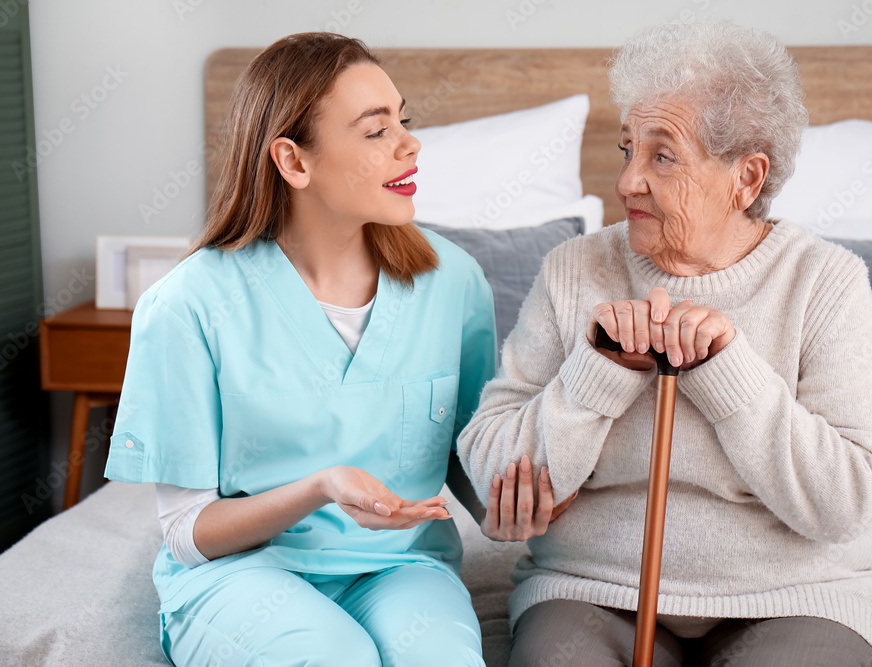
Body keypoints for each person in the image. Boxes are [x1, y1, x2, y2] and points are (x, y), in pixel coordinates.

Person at [458, 19, 872, 667]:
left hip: (799, 593)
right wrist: (596, 372)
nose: (627, 182)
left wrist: (731, 373)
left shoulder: (824, 281)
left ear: (746, 178)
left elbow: (846, 499)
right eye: (627, 149)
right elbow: (491, 469)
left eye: (661, 155)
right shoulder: (573, 270)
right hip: (595, 587)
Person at [104, 32, 552, 666]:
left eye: (404, 120)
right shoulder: (189, 305)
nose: (410, 143)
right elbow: (186, 533)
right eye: (375, 132)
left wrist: (512, 511)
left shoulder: (453, 282)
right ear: (293, 161)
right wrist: (319, 488)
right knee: (333, 655)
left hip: (401, 567)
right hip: (243, 572)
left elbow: (467, 450)